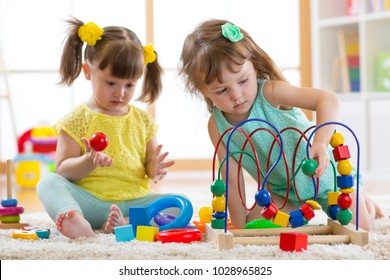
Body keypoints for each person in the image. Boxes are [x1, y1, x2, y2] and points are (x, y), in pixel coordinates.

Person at [178, 19, 384, 231]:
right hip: (281, 193)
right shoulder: (217, 126)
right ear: (202, 91)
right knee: (253, 227)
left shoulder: (271, 92)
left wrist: (320, 143)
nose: (237, 95)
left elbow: (328, 100)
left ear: (255, 68)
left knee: (361, 227)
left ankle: (363, 198)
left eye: (243, 81)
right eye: (222, 91)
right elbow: (232, 180)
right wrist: (239, 230)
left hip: (324, 179)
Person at [37, 18, 178, 239]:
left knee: (179, 203)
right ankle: (74, 219)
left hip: (134, 203)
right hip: (90, 202)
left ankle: (124, 223)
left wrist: (155, 168)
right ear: (88, 71)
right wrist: (88, 161)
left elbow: (150, 171)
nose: (120, 93)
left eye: (129, 85)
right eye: (111, 83)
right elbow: (63, 171)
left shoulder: (143, 121)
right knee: (48, 182)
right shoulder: (76, 119)